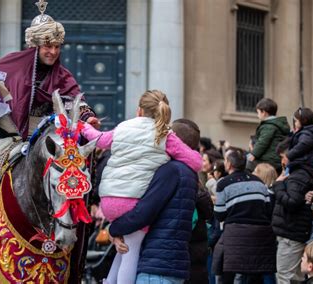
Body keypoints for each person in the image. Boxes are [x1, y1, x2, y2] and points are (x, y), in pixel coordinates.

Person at [0, 7, 97, 265]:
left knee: (75, 175)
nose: (53, 52)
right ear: (35, 45)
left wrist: (88, 116)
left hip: (44, 141)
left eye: (57, 46)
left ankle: (75, 235)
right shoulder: (6, 65)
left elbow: (76, 102)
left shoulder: (63, 75)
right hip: (8, 138)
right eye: (47, 46)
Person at [81, 91, 202, 283]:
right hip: (133, 202)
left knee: (119, 251)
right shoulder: (165, 136)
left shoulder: (123, 127)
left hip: (109, 201)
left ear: (139, 110)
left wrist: (84, 128)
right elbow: (196, 161)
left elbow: (100, 139)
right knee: (130, 251)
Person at [108, 118, 201, 284]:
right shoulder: (188, 172)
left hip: (156, 266)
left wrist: (114, 228)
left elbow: (144, 212)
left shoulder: (172, 170)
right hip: (169, 264)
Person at [212, 147, 275, 284]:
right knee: (253, 278)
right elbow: (267, 208)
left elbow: (219, 214)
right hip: (259, 238)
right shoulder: (258, 182)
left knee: (229, 277)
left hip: (235, 238)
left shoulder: (223, 183)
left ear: (229, 164)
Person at [273, 138, 313, 283]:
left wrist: (278, 185)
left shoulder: (299, 175)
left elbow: (292, 202)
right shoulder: (300, 172)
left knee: (285, 276)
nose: (282, 161)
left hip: (291, 233)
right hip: (293, 232)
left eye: (282, 157)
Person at [247, 98, 290, 173]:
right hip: (275, 159)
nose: (258, 115)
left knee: (248, 164)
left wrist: (253, 154)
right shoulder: (276, 124)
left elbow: (263, 142)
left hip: (269, 160)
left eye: (258, 113)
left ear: (263, 112)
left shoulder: (269, 126)